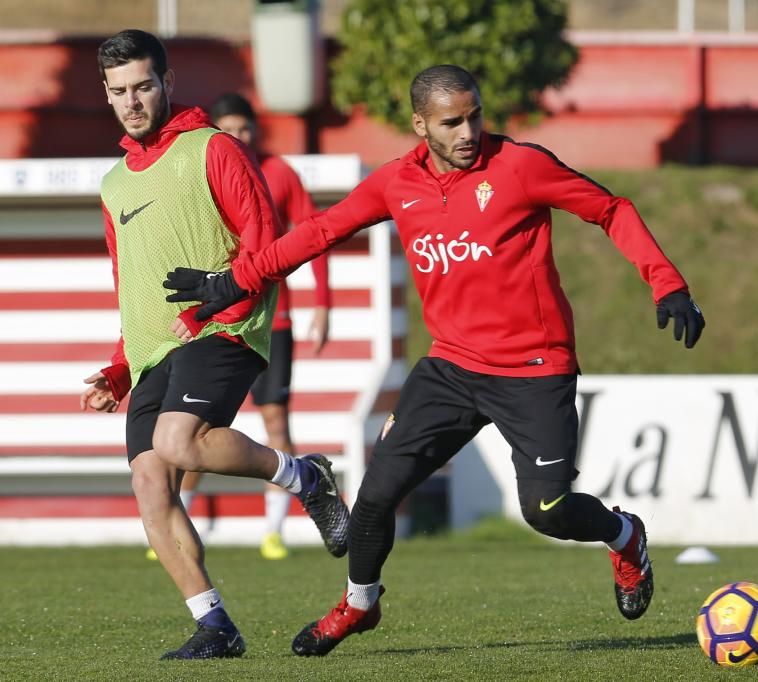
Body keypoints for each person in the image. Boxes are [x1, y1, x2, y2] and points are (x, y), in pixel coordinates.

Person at [164, 64, 706, 657]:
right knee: (373, 497)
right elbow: (320, 231)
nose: (468, 130)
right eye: (452, 122)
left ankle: (624, 538)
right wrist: (234, 281)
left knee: (547, 510)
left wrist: (667, 284)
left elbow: (612, 209)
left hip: (534, 367)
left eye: (475, 115)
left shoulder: (522, 167)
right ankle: (359, 606)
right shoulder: (396, 182)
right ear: (421, 124)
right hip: (449, 368)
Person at [80, 29, 349, 660]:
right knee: (151, 484)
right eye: (119, 91)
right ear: (107, 94)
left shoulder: (214, 149)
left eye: (143, 85)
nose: (133, 101)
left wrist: (218, 308)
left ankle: (304, 476)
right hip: (152, 350)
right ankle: (215, 625)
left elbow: (265, 243)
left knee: (178, 442)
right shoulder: (113, 185)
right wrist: (120, 370)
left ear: (168, 83)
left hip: (224, 327)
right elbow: (130, 287)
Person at [157, 93, 331, 562]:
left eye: (246, 128)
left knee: (275, 419)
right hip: (215, 319)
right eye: (229, 126)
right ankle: (176, 523)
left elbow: (311, 231)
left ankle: (274, 531)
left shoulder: (279, 172)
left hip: (273, 320)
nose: (238, 135)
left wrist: (323, 303)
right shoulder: (205, 168)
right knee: (198, 427)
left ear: (257, 131)